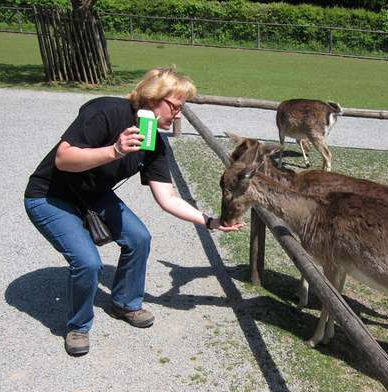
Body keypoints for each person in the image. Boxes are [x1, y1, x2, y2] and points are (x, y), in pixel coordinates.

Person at [24, 67, 245, 356]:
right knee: (88, 262)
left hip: (94, 196)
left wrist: (210, 221)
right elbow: (64, 159)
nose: (178, 115)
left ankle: (125, 303)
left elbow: (166, 197)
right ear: (154, 97)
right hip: (51, 196)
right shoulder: (107, 111)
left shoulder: (154, 142)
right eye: (176, 107)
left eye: (181, 109)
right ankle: (79, 326)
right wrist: (115, 151)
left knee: (139, 238)